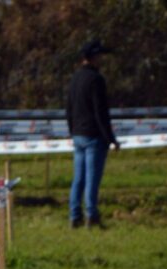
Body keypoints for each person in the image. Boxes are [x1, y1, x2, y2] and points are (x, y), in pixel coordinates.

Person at [65, 39, 119, 229]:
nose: (102, 59)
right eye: (100, 56)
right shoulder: (96, 80)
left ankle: (74, 216)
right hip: (94, 136)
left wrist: (73, 131)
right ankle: (92, 215)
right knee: (92, 179)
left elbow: (69, 109)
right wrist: (111, 138)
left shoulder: (75, 79)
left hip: (78, 134)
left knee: (78, 178)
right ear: (94, 57)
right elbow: (101, 112)